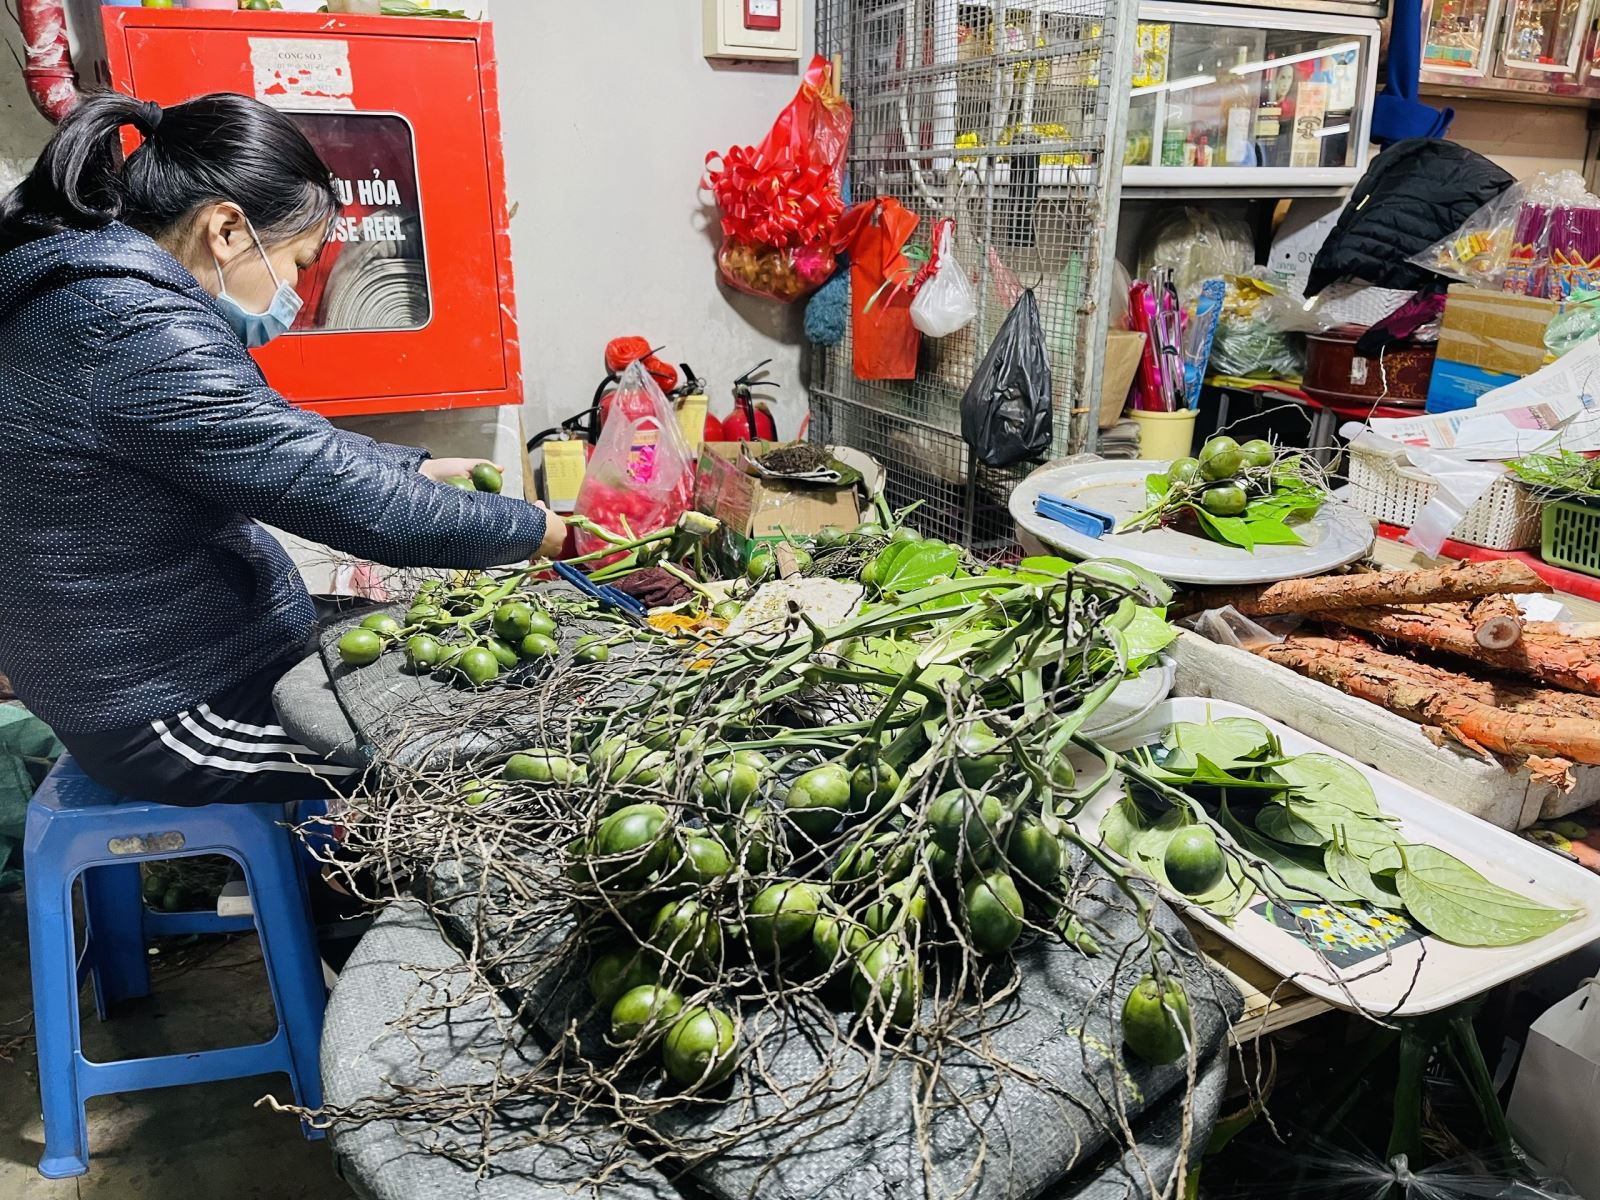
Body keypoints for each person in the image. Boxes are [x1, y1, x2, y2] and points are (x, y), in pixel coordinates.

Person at [0, 92, 566, 807]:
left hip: (197, 648)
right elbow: (350, 502)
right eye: (300, 261)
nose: (298, 288)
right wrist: (539, 531)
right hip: (167, 711)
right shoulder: (127, 328)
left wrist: (411, 468)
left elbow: (270, 434)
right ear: (228, 230)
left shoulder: (97, 294)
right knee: (481, 754)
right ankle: (338, 896)